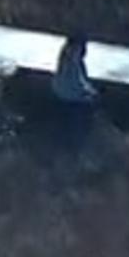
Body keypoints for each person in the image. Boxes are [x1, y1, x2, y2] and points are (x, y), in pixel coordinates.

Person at [51, 34, 99, 167]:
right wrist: (88, 92)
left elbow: (78, 78)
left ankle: (73, 150)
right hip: (70, 95)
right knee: (81, 120)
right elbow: (76, 79)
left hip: (65, 93)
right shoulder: (72, 60)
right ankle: (76, 151)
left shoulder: (67, 57)